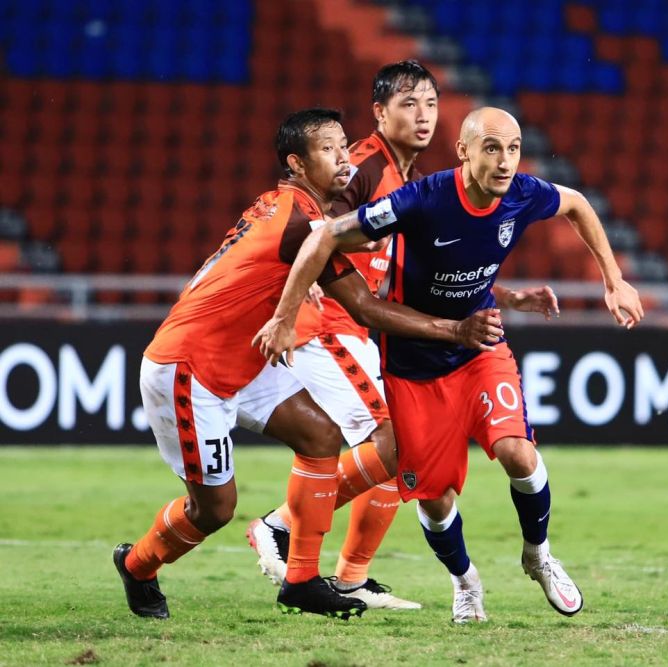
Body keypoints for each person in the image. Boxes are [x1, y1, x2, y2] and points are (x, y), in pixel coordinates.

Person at [253, 106, 644, 623]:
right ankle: (465, 581)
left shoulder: (524, 194)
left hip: (479, 348)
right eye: (491, 148)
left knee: (518, 454)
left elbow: (577, 205)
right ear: (463, 151)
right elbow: (326, 236)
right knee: (435, 499)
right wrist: (287, 313)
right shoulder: (422, 199)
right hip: (413, 366)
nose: (505, 161)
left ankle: (539, 555)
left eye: (514, 148)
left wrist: (612, 279)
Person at [113, 108, 501, 620]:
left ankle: (301, 580)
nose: (343, 158)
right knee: (214, 511)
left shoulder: (298, 213)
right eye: (327, 149)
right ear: (297, 163)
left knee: (320, 436)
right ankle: (138, 565)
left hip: (247, 360)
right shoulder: (301, 222)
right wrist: (456, 329)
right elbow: (362, 306)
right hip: (190, 369)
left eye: (344, 146)